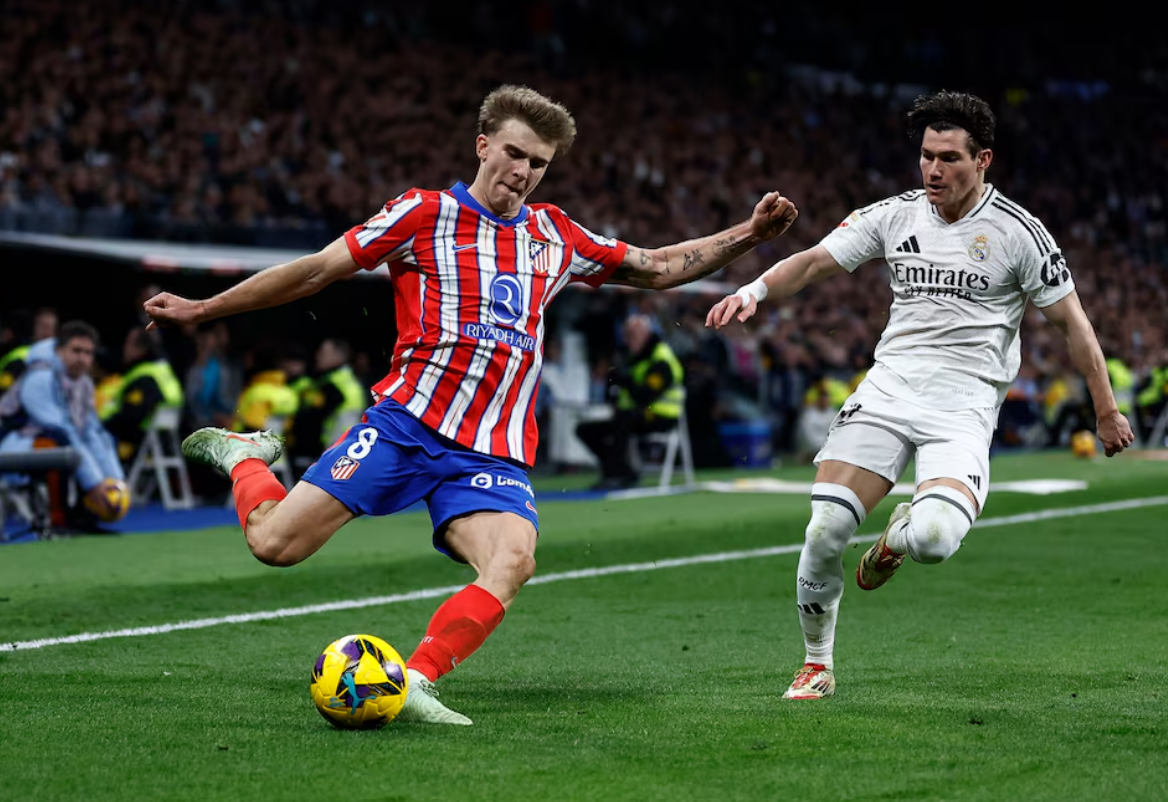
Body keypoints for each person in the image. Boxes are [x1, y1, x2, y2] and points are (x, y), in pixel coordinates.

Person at [143, 84, 798, 725]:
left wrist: (751, 234)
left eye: (538, 163)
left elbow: (657, 267)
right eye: (514, 153)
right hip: (405, 427)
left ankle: (417, 680)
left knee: (512, 560)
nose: (523, 172)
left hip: (491, 451)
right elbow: (316, 270)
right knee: (273, 544)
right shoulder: (422, 215)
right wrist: (205, 308)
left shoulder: (555, 235)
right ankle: (243, 456)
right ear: (483, 145)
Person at [706, 90, 1134, 701]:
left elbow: (1074, 324)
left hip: (963, 406)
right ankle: (816, 663)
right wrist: (754, 291)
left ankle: (895, 541)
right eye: (927, 156)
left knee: (934, 540)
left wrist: (1106, 408)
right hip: (888, 389)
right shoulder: (895, 214)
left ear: (983, 159)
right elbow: (814, 262)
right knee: (825, 527)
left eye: (950, 158)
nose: (934, 170)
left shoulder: (1020, 233)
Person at [0, 320, 128, 531]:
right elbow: (61, 429)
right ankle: (59, 519)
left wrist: (114, 481)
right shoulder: (39, 377)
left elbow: (91, 432)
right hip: (13, 444)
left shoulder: (84, 382)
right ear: (59, 350)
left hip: (51, 441)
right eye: (76, 351)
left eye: (88, 353)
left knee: (101, 439)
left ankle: (85, 518)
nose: (83, 359)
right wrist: (94, 483)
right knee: (56, 444)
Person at [575, 313, 685, 490]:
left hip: (662, 416)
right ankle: (622, 471)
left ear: (646, 334)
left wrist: (622, 380)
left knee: (624, 419)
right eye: (626, 335)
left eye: (632, 335)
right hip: (635, 414)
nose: (628, 340)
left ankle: (615, 474)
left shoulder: (661, 359)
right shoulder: (632, 356)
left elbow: (646, 396)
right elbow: (619, 390)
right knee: (585, 430)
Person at [101, 327, 185, 466]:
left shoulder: (144, 377)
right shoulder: (162, 370)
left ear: (140, 349)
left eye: (128, 344)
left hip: (143, 443)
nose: (124, 349)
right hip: (164, 441)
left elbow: (132, 416)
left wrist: (103, 425)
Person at [285, 338, 367, 477]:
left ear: (338, 355)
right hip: (349, 450)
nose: (318, 356)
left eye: (323, 352)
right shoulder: (350, 381)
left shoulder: (333, 384)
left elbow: (312, 420)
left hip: (331, 452)